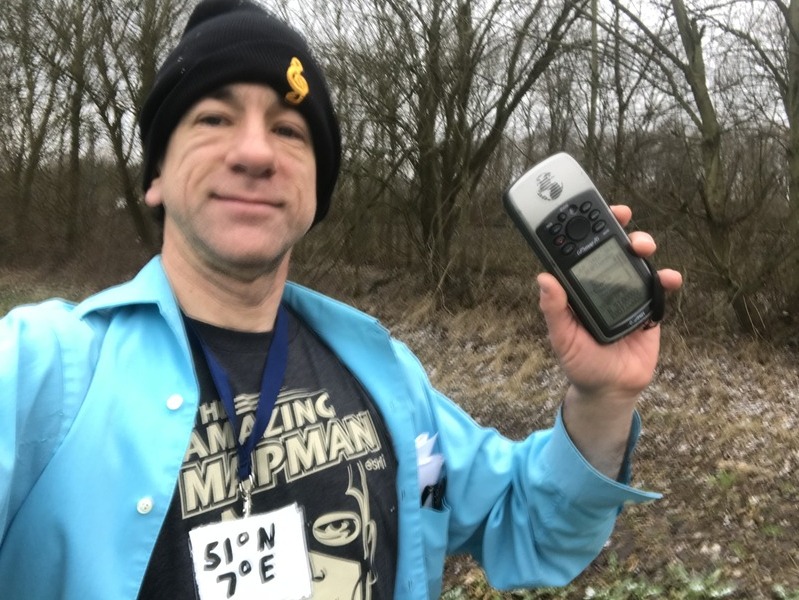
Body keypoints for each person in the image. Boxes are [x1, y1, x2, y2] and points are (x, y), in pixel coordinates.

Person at [0, 0, 683, 598]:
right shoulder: (39, 373)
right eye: (212, 118)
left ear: (314, 191)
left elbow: (525, 522)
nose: (254, 152)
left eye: (290, 131)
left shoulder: (387, 382)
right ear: (154, 179)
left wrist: (603, 399)